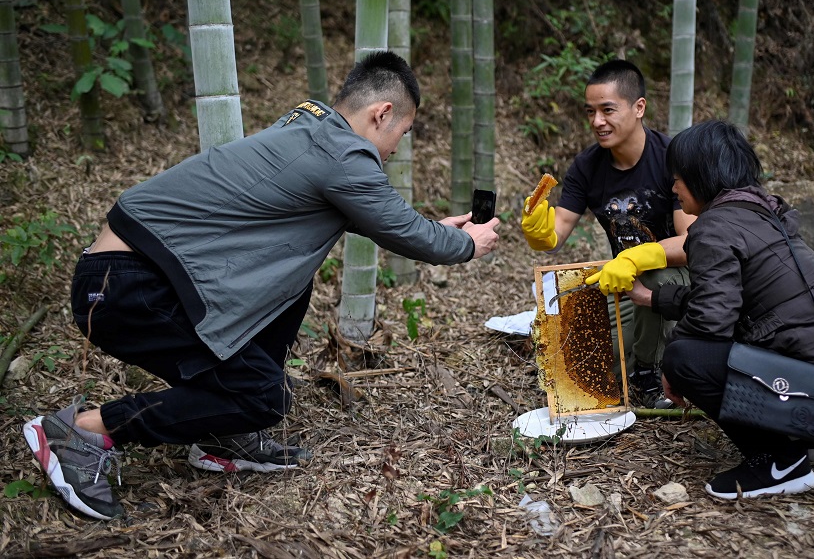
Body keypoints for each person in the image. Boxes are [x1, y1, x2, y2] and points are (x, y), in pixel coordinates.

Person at [22, 51, 501, 520]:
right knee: (259, 396)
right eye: (403, 132)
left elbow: (376, 217)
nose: (397, 147)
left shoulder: (308, 127)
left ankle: (219, 437)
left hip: (125, 278)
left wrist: (437, 229)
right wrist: (465, 243)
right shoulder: (341, 151)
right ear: (383, 113)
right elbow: (401, 230)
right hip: (127, 288)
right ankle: (81, 432)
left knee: (282, 317)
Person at [626, 119, 814, 499]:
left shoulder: (714, 227)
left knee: (686, 355)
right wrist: (654, 299)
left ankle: (780, 461)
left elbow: (711, 324)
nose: (673, 188)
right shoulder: (763, 213)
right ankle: (807, 435)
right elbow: (729, 302)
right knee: (714, 345)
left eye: (678, 178)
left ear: (701, 176)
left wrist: (672, 368)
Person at [520, 59, 695, 408]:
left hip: (679, 280)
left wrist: (636, 256)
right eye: (590, 112)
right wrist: (539, 232)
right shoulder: (588, 166)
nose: (597, 122)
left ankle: (652, 371)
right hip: (625, 281)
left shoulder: (671, 158)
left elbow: (692, 242)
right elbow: (558, 232)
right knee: (603, 373)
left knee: (656, 276)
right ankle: (638, 366)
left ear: (639, 107)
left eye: (608, 110)